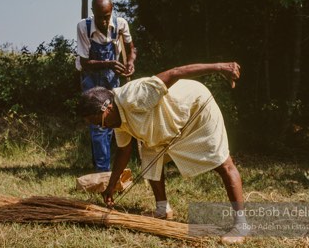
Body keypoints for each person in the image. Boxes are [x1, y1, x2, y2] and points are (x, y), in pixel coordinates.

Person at [80, 62, 249, 244]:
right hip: (166, 125)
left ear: (108, 108)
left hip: (195, 108)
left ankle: (241, 224)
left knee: (223, 163)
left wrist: (220, 67)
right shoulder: (116, 120)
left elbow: (176, 72)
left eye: (100, 122)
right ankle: (162, 209)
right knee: (150, 154)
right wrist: (111, 187)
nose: (101, 127)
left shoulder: (135, 94)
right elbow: (124, 150)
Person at [76, 0, 136, 172]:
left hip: (112, 78)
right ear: (93, 12)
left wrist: (130, 62)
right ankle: (103, 171)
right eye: (100, 17)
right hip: (91, 78)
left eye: (107, 16)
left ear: (112, 11)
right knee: (97, 122)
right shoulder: (84, 27)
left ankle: (100, 165)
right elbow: (85, 62)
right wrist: (109, 63)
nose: (104, 21)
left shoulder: (121, 24)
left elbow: (132, 49)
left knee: (111, 121)